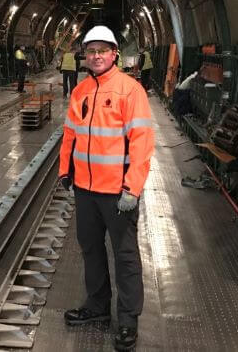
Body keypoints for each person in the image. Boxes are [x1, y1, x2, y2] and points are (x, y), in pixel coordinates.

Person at [58, 25, 154, 352]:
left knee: (125, 256)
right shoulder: (80, 91)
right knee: (90, 248)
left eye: (103, 50)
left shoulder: (130, 91)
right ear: (84, 55)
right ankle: (98, 307)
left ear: (114, 54)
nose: (96, 56)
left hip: (118, 193)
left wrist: (134, 188)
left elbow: (142, 143)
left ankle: (127, 320)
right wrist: (64, 172)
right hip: (85, 189)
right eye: (91, 50)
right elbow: (70, 135)